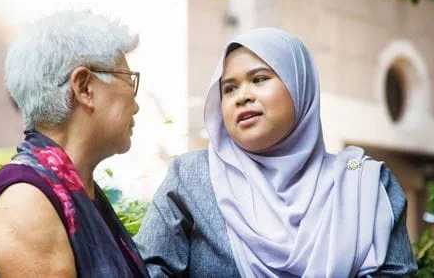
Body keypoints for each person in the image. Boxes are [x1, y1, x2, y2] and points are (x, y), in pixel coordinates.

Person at [134, 28, 417, 277]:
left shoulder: (365, 186)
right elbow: (149, 271)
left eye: (259, 79)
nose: (242, 96)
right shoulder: (192, 178)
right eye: (229, 88)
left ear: (299, 86)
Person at [0, 10, 149, 277]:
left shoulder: (78, 190)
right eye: (129, 81)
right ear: (84, 88)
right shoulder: (26, 201)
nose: (136, 104)